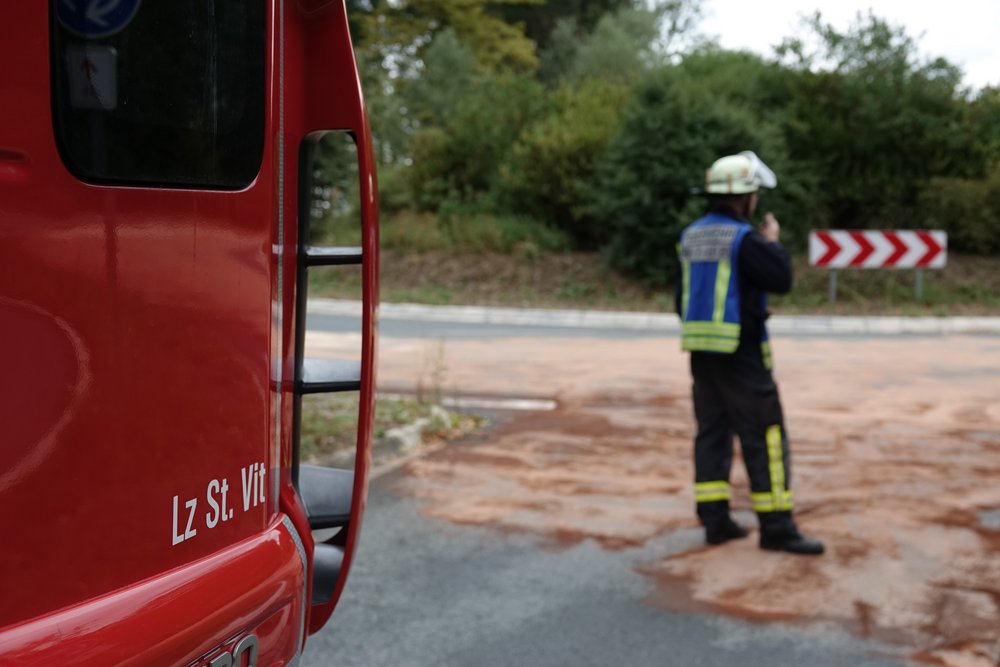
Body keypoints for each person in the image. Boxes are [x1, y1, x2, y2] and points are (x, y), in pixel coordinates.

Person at [675, 151, 824, 555]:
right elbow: (781, 279)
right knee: (766, 437)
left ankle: (715, 520)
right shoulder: (744, 239)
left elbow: (680, 297)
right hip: (740, 356)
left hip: (702, 355)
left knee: (712, 434)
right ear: (746, 198)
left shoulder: (691, 236)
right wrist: (773, 243)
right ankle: (777, 527)